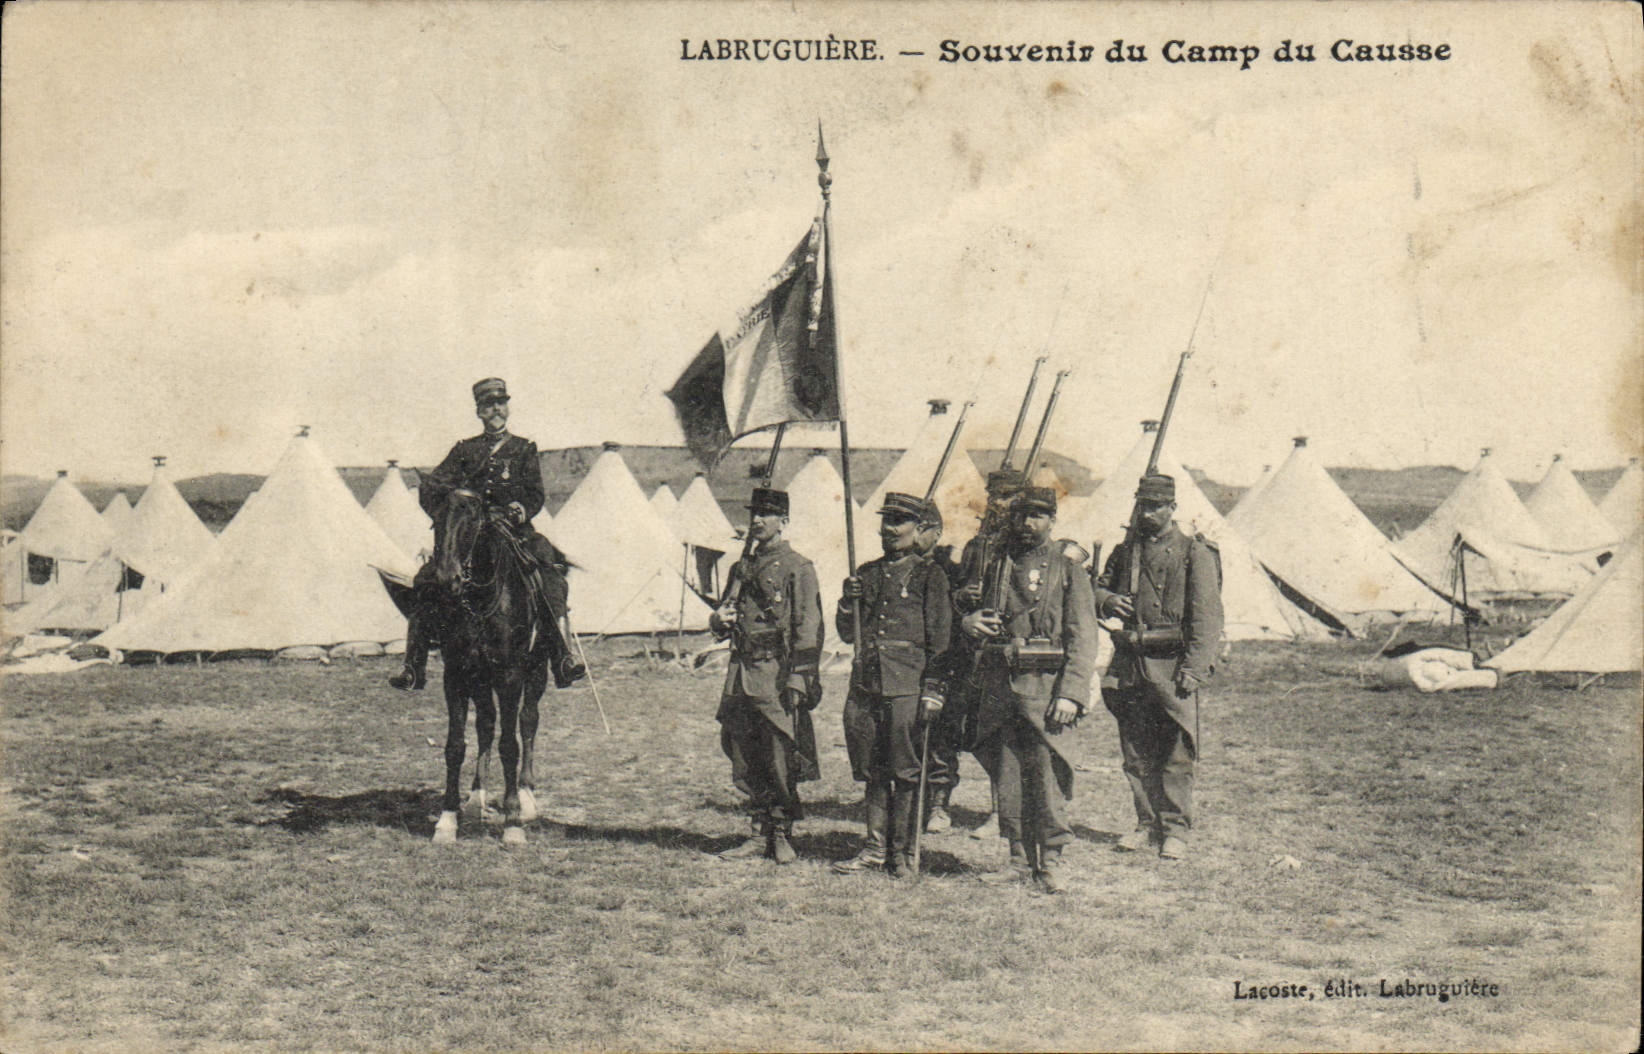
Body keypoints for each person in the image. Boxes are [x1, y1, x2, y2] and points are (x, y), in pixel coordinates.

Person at [388, 377, 583, 692]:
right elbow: (433, 487)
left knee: (547, 567)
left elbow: (535, 492)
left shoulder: (523, 448)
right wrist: (447, 517)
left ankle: (561, 656)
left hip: (513, 529)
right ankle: (414, 665)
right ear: (479, 411)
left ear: (507, 407)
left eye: (501, 403)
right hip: (472, 534)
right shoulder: (465, 449)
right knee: (427, 579)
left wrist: (523, 507)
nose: (496, 409)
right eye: (488, 405)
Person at [959, 486, 1098, 893]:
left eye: (1038, 516)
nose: (1027, 524)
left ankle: (1051, 861)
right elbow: (978, 615)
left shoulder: (1067, 567)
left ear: (1053, 520)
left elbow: (1082, 635)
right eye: (1021, 516)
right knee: (1008, 775)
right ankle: (1018, 858)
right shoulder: (997, 564)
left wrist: (1071, 693)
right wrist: (970, 621)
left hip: (1046, 690)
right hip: (1000, 685)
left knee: (1047, 775)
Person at [1092, 473, 1224, 861]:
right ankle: (1145, 823)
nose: (1147, 512)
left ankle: (1176, 829)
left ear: (1172, 508)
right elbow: (1095, 586)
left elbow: (1207, 617)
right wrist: (1108, 600)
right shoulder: (1126, 551)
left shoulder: (1193, 552)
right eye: (1142, 505)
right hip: (1130, 663)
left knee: (1176, 750)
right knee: (1135, 751)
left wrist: (1195, 668)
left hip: (1171, 664)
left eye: (1155, 506)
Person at [831, 493, 953, 879]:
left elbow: (941, 641)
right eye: (886, 521)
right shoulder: (866, 574)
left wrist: (933, 689)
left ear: (918, 530)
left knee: (905, 769)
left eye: (899, 521)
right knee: (872, 769)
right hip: (867, 683)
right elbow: (847, 635)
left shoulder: (931, 576)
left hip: (908, 682)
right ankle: (873, 849)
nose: (890, 529)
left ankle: (901, 853)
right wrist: (848, 605)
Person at [713, 487, 825, 865]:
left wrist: (799, 679)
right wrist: (718, 619)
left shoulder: (798, 567)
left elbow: (808, 628)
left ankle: (780, 832)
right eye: (754, 513)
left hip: (776, 674)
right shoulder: (741, 568)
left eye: (766, 514)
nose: (757, 520)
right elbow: (724, 613)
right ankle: (756, 828)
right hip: (741, 672)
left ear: (784, 521)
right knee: (744, 754)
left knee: (780, 755)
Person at [940, 468, 1028, 839]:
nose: (998, 504)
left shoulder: (1025, 548)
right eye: (994, 496)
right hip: (973, 652)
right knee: (969, 730)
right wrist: (964, 601)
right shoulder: (977, 545)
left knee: (1003, 734)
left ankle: (1001, 811)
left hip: (1010, 651)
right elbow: (956, 595)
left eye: (1007, 497)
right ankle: (943, 806)